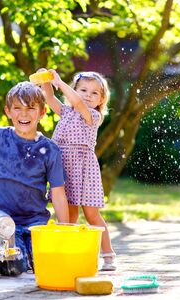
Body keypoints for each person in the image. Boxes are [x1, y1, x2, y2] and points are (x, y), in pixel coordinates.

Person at [0, 81, 69, 274]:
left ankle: (1, 257)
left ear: (42, 113)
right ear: (8, 111)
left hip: (36, 222)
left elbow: (58, 193)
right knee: (17, 265)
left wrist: (66, 228)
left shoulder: (50, 150)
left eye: (31, 108)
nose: (24, 114)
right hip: (2, 222)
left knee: (45, 263)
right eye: (17, 108)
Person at [39, 69, 117, 271]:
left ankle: (108, 255)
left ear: (101, 100)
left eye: (94, 93)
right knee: (67, 216)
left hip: (83, 168)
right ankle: (65, 253)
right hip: (63, 166)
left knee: (91, 215)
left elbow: (79, 103)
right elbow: (48, 96)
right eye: (83, 90)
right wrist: (45, 80)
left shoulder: (92, 115)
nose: (88, 96)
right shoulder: (66, 112)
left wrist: (59, 82)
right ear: (73, 91)